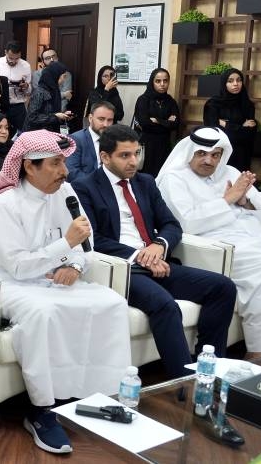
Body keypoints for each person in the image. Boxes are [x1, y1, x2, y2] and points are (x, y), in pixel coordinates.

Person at [0, 129, 131, 454]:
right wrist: (66, 244)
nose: (65, 171)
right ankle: (41, 411)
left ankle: (102, 398)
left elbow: (85, 243)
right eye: (55, 163)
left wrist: (76, 266)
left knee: (111, 302)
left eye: (63, 162)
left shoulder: (64, 192)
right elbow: (17, 266)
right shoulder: (4, 204)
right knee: (43, 313)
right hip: (6, 283)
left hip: (51, 278)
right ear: (29, 166)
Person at [72, 125, 237, 386]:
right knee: (165, 305)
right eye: (124, 155)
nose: (133, 162)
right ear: (105, 157)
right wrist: (141, 256)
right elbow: (94, 239)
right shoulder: (84, 186)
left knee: (222, 287)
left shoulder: (145, 182)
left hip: (157, 260)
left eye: (136, 153)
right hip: (122, 269)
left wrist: (159, 245)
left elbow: (172, 225)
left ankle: (209, 368)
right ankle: (185, 384)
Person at [157, 127, 261, 357]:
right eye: (202, 154)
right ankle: (260, 351)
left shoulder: (230, 172)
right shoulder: (174, 178)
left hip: (254, 237)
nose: (209, 160)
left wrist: (244, 201)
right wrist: (227, 199)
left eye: (215, 155)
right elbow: (186, 223)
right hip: (216, 245)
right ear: (190, 152)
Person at [203, 68, 257, 171]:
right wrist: (241, 127)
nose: (236, 84)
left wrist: (226, 124)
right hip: (219, 153)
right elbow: (214, 132)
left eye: (239, 80)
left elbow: (248, 134)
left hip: (241, 155)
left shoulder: (247, 104)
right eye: (230, 81)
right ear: (224, 84)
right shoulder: (213, 104)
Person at [135, 68, 181, 176]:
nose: (162, 84)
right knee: (146, 176)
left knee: (162, 175)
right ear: (152, 82)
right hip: (147, 145)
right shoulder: (143, 100)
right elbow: (145, 124)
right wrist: (166, 123)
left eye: (165, 81)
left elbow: (176, 124)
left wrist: (158, 120)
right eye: (158, 81)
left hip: (164, 145)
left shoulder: (170, 101)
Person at [66, 101, 116, 182]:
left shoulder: (114, 140)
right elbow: (72, 173)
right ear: (90, 118)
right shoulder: (76, 139)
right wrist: (97, 184)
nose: (106, 124)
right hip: (86, 186)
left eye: (109, 120)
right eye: (101, 119)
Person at [25, 61, 75, 134]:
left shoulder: (55, 90)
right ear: (55, 75)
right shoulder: (39, 92)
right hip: (36, 134)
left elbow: (51, 112)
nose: (64, 80)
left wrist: (63, 115)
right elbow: (32, 117)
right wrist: (55, 116)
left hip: (50, 132)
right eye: (63, 76)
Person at [0, 41, 33, 134]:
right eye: (11, 58)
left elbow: (29, 91)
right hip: (0, 105)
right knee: (0, 133)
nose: (13, 61)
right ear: (5, 52)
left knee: (23, 133)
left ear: (20, 54)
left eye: (17, 58)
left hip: (18, 106)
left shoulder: (25, 65)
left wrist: (26, 86)